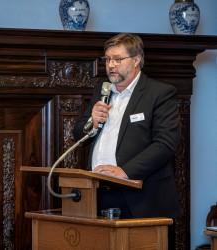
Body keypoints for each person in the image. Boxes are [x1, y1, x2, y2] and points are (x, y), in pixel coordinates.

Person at [73, 33, 181, 219]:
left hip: (141, 196)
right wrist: (93, 121)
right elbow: (78, 135)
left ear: (136, 60)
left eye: (117, 59)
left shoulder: (160, 93)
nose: (111, 65)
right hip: (98, 192)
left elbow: (166, 143)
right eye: (107, 60)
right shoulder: (102, 90)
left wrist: (125, 171)